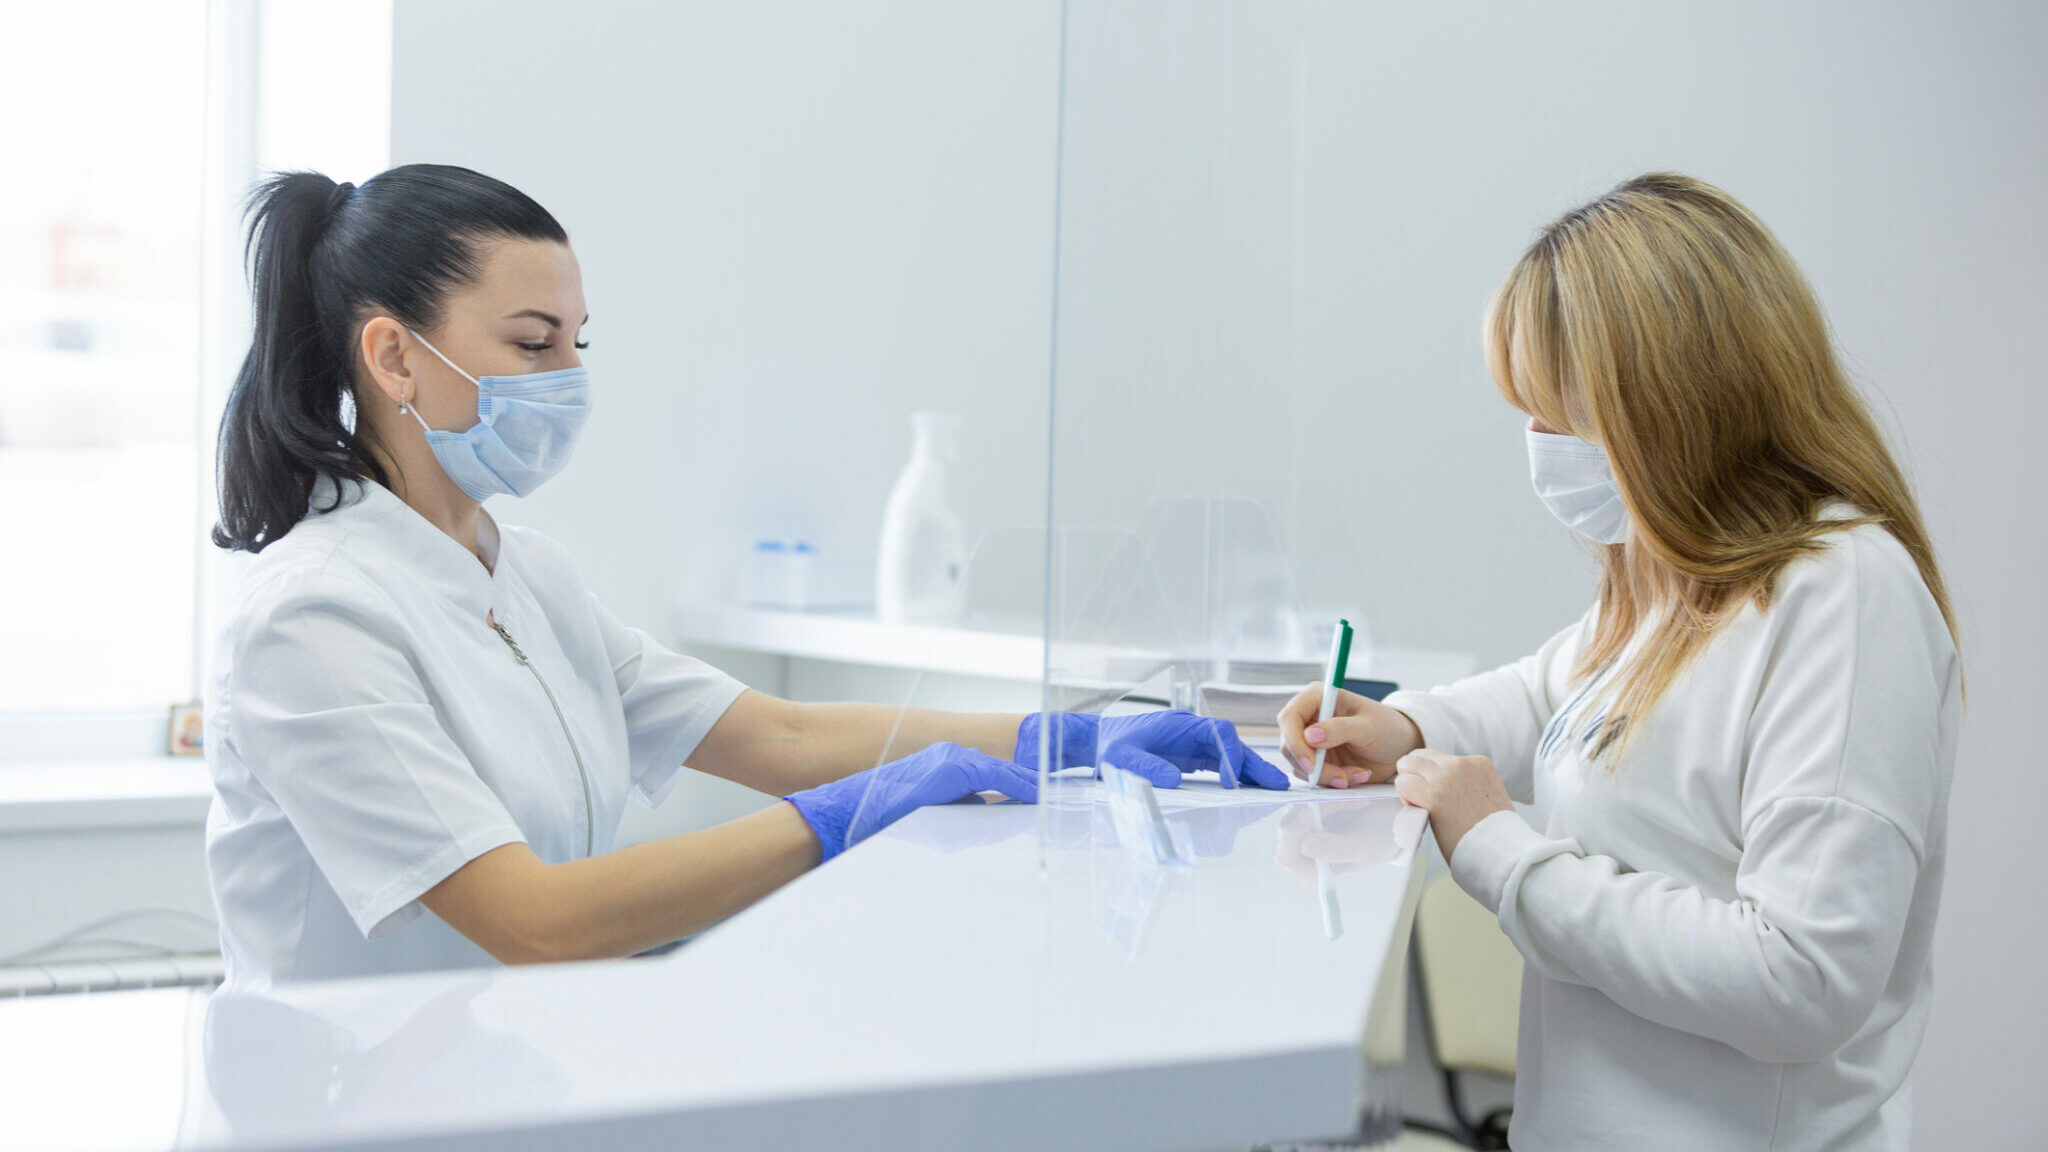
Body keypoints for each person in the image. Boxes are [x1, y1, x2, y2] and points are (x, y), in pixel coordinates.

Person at [204, 164, 1286, 989]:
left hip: (498, 1080)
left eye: (579, 342)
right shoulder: (312, 617)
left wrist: (1063, 738)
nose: (571, 379)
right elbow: (530, 918)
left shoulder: (523, 576)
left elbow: (782, 737)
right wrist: (835, 822)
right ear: (393, 357)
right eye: (533, 344)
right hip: (336, 1108)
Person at [1280, 173, 1960, 1151]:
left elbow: (1802, 981)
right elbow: (1554, 701)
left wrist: (1502, 855)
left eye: (1557, 414)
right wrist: (1405, 728)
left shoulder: (1841, 596)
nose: (1538, 446)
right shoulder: (1680, 581)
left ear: (1670, 402)